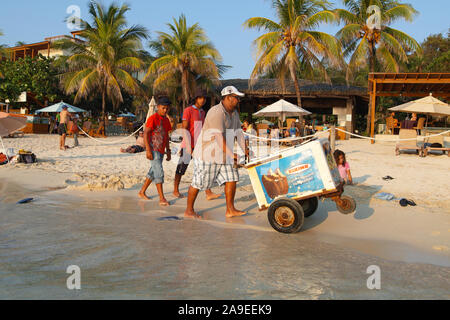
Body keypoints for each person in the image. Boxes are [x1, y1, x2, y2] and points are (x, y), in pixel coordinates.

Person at [184, 86, 248, 219]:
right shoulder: (216, 112)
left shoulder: (234, 113)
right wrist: (232, 154)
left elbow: (239, 133)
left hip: (224, 154)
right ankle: (189, 210)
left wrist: (245, 150)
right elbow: (218, 137)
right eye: (236, 98)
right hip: (207, 155)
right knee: (198, 183)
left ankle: (230, 209)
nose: (238, 101)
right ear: (228, 98)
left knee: (232, 178)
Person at [173, 89, 220, 200]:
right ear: (196, 99)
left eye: (204, 98)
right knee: (181, 168)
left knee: (203, 168)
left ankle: (208, 192)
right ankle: (175, 190)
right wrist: (189, 146)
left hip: (200, 145)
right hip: (188, 144)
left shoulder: (203, 112)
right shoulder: (188, 110)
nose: (202, 100)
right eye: (200, 98)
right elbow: (184, 129)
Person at [138, 97, 172, 206]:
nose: (165, 110)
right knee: (159, 172)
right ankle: (162, 198)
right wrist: (148, 150)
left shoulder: (166, 120)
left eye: (167, 108)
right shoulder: (153, 118)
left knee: (153, 171)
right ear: (158, 107)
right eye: (163, 108)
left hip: (161, 150)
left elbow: (166, 136)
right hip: (153, 149)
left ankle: (142, 191)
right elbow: (146, 133)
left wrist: (168, 150)